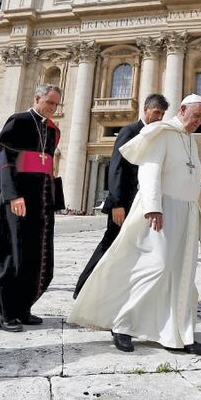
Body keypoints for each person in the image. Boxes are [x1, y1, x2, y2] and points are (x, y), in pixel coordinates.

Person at [69, 95, 201, 354]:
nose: (199, 121)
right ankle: (122, 324)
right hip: (160, 211)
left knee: (182, 274)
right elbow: (149, 170)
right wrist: (153, 206)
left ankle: (178, 334)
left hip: (185, 215)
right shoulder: (161, 132)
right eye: (196, 116)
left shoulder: (190, 140)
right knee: (156, 267)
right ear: (183, 110)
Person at [0, 85, 63, 332]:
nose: (52, 108)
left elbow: (47, 166)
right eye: (49, 102)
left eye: (56, 104)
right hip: (19, 198)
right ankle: (7, 312)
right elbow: (6, 163)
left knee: (34, 255)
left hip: (41, 199)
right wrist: (13, 196)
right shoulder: (19, 120)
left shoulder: (51, 129)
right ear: (37, 98)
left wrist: (54, 199)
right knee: (12, 253)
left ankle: (23, 308)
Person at [74, 93, 169, 298]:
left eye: (162, 114)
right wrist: (117, 203)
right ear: (145, 109)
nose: (159, 117)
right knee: (109, 243)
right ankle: (82, 288)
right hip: (123, 203)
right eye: (156, 113)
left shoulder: (155, 134)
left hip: (139, 203)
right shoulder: (130, 131)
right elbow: (116, 167)